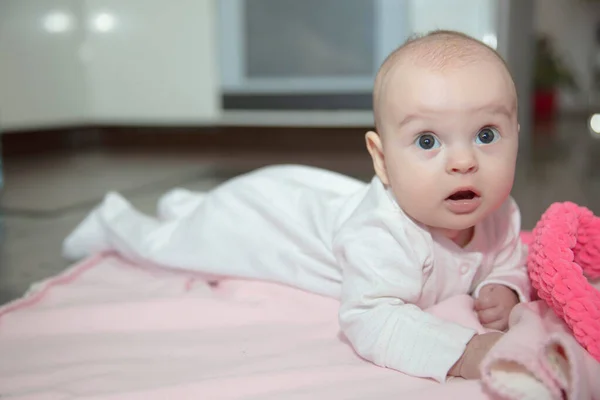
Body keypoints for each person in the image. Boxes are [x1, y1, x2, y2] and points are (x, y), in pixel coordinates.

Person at [62, 30, 530, 383]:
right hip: (263, 217)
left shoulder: (502, 214)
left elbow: (509, 258)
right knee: (178, 241)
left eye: (486, 135)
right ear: (382, 159)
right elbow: (371, 318)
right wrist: (464, 352)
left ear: (516, 138)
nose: (465, 161)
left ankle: (185, 204)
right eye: (428, 141)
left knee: (198, 211)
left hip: (315, 200)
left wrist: (505, 286)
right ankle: (113, 222)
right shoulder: (382, 235)